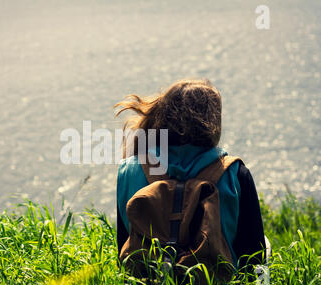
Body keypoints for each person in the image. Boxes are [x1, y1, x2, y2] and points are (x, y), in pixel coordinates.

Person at [114, 79, 266, 270]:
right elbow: (254, 256)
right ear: (212, 121)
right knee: (266, 244)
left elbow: (124, 248)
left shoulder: (129, 170)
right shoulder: (235, 173)